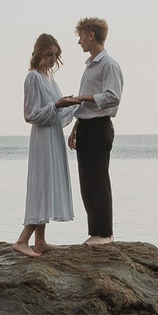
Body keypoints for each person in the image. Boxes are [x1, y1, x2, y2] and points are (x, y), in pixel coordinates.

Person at [56, 16, 121, 244]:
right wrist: (76, 125)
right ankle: (95, 233)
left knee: (99, 180)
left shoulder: (108, 65)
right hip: (86, 126)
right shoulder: (90, 65)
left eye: (81, 36)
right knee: (87, 183)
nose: (79, 42)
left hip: (99, 128)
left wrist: (83, 98)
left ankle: (105, 234)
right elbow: (86, 106)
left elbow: (113, 97)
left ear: (91, 35)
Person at [16, 32, 73, 254]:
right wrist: (56, 106)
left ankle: (40, 241)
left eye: (55, 55)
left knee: (49, 184)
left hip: (53, 137)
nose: (52, 59)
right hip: (42, 138)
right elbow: (30, 114)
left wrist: (73, 104)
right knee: (42, 185)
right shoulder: (33, 78)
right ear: (39, 53)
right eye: (49, 54)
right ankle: (22, 240)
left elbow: (59, 115)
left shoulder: (50, 78)